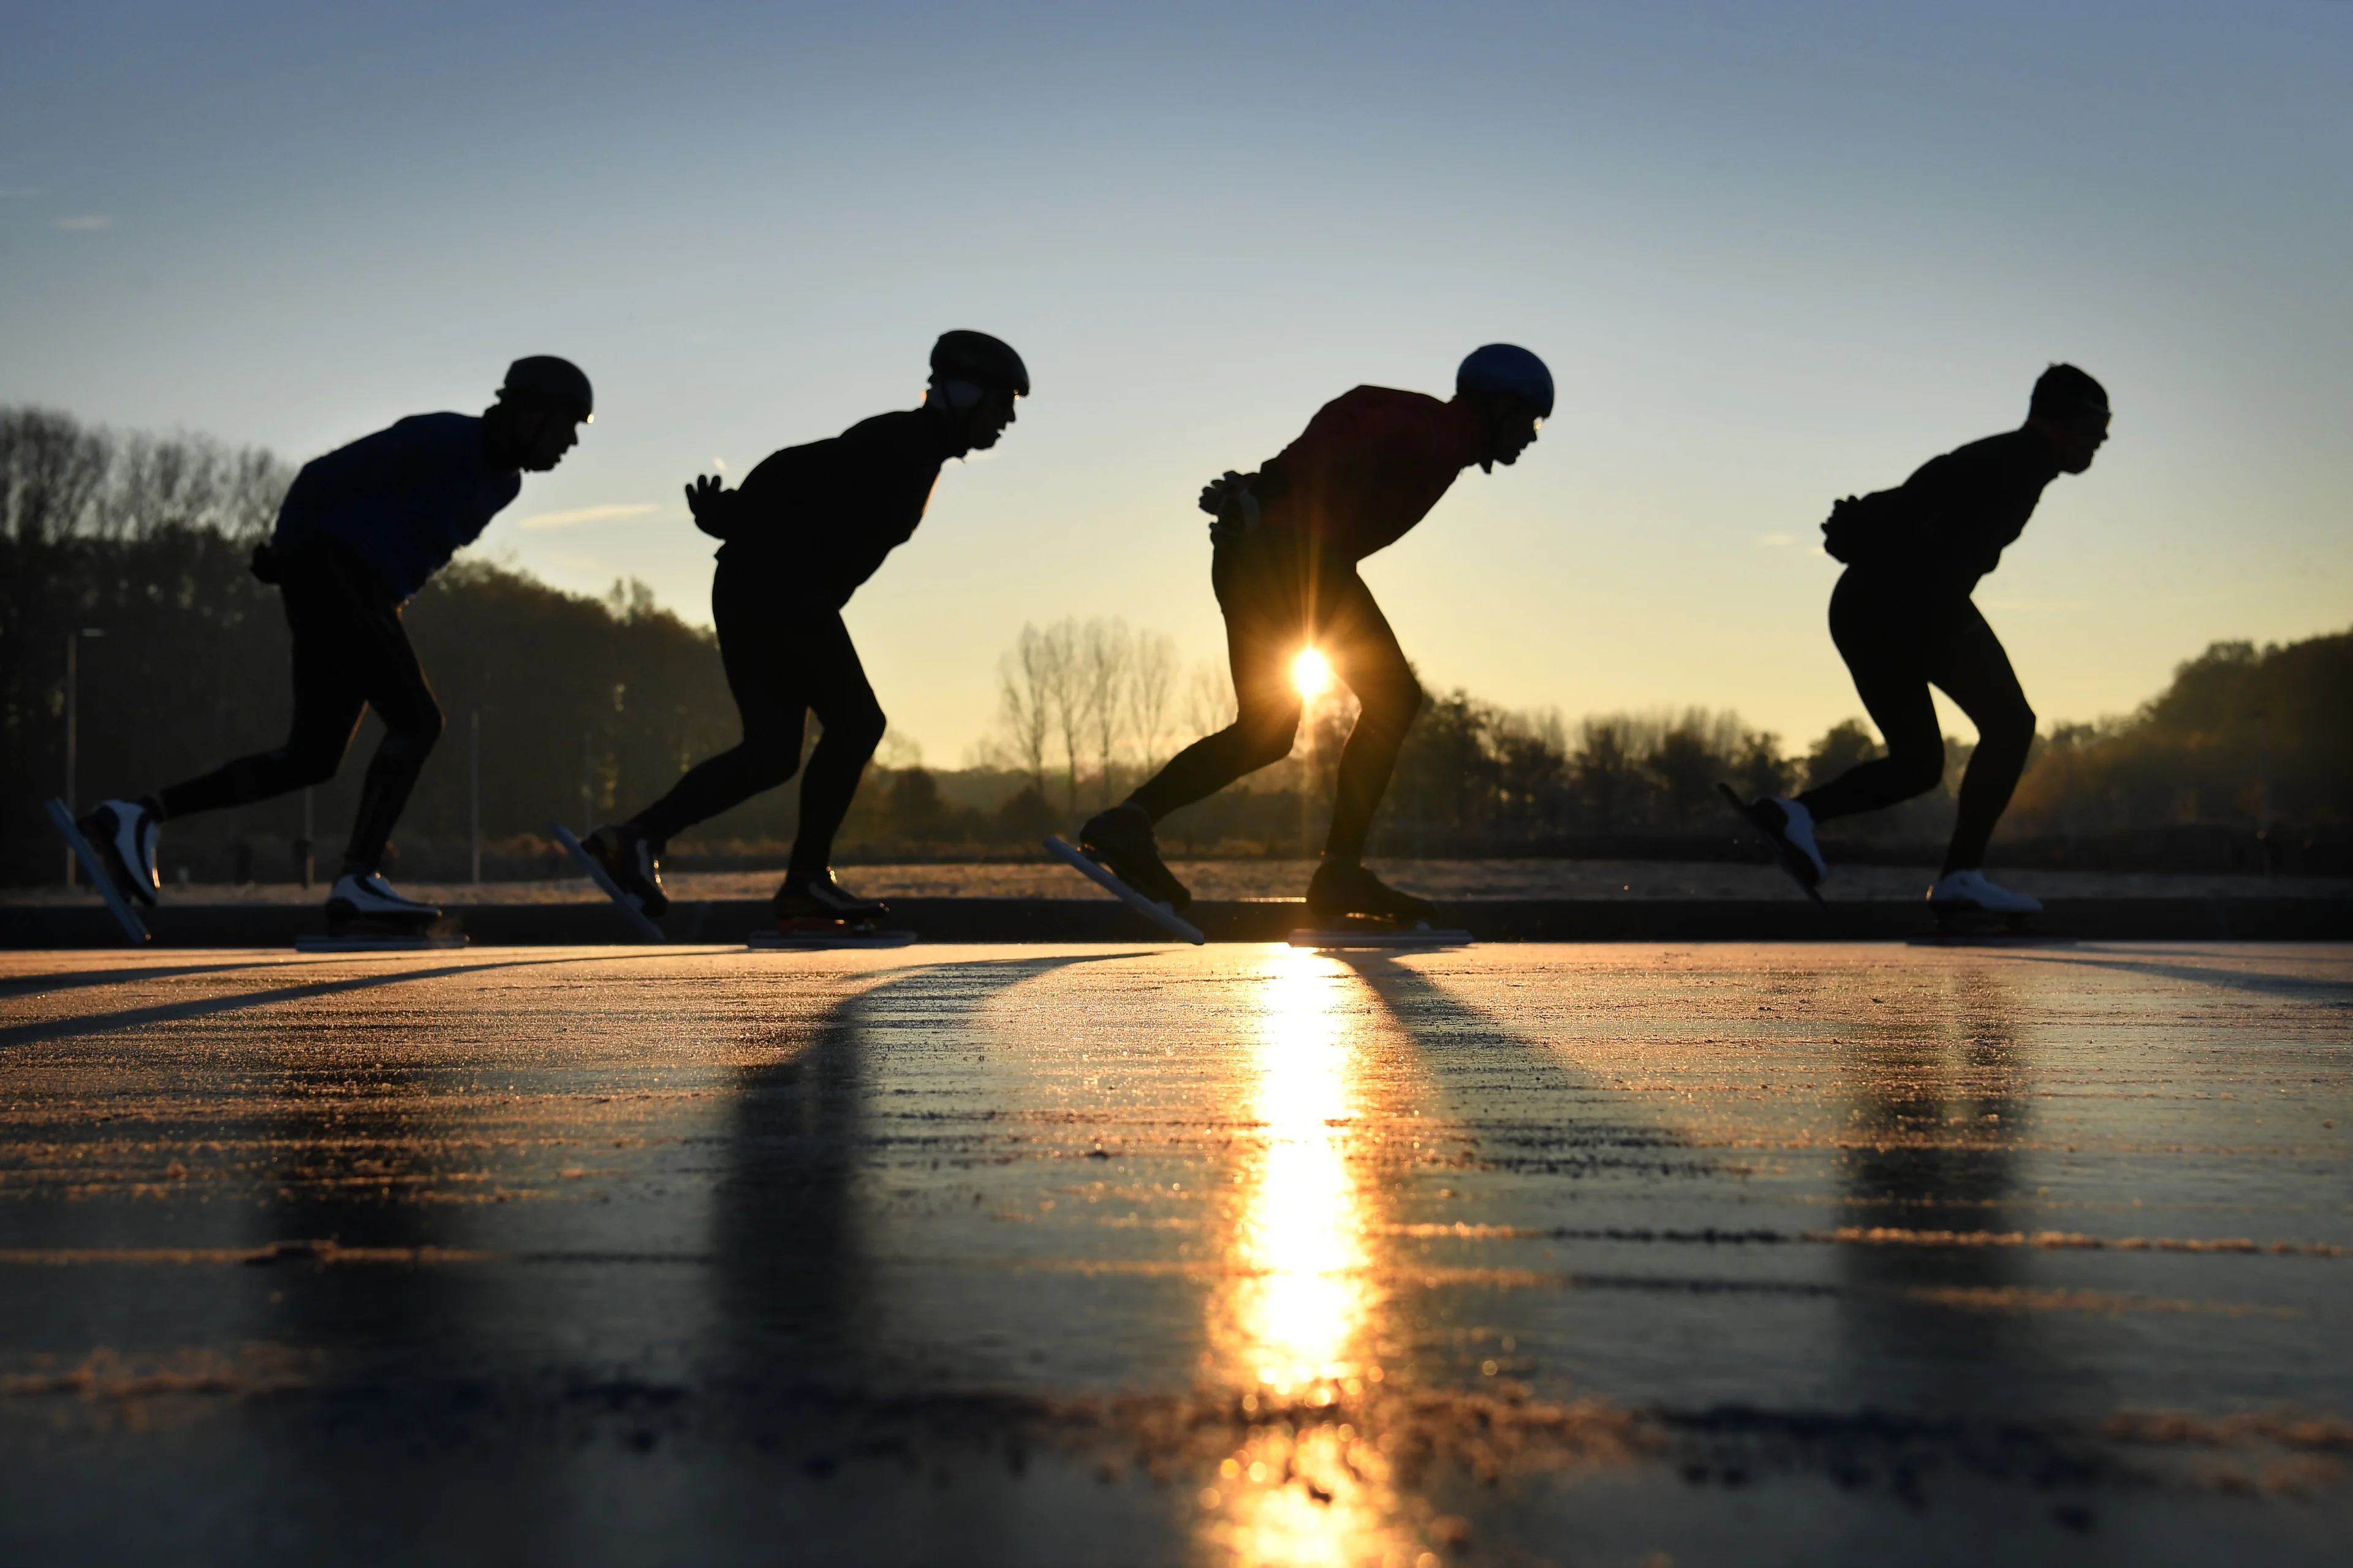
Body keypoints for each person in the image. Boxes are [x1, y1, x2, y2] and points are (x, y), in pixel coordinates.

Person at [78, 357, 593, 927]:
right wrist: (285, 549)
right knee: (417, 720)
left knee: (312, 758)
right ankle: (359, 879)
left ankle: (136, 815)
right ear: (529, 414)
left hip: (364, 592)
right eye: (568, 426)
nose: (571, 443)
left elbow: (414, 544)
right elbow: (320, 476)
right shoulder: (442, 436)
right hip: (335, 573)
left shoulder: (506, 484)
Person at [1076, 345, 1552, 925]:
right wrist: (1264, 491)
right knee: (1395, 698)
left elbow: (1331, 462)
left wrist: (1252, 491)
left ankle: (1128, 823)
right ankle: (1340, 873)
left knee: (1267, 732)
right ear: (1499, 406)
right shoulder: (1434, 429)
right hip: (1298, 562)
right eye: (1530, 421)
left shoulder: (1442, 445)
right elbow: (1349, 421)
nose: (1532, 437)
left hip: (1253, 558)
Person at [580, 331, 1026, 927]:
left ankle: (632, 839)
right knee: (859, 722)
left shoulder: (919, 451)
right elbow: (798, 468)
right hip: (777, 592)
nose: (1011, 419)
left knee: (770, 754)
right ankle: (805, 882)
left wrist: (735, 520)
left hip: (759, 589)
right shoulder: (900, 441)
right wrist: (735, 517)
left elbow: (801, 477)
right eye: (1004, 403)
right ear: (967, 396)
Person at [1743, 363, 2113, 917]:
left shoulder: (2010, 460)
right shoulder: (2020, 460)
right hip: (1909, 604)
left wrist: (1864, 520)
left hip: (1862, 605)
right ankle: (1962, 876)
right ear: (2066, 421)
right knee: (2012, 723)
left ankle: (1793, 815)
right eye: (2098, 424)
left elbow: (1931, 485)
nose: (2104, 439)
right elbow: (1935, 489)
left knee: (1919, 765)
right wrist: (1875, 531)